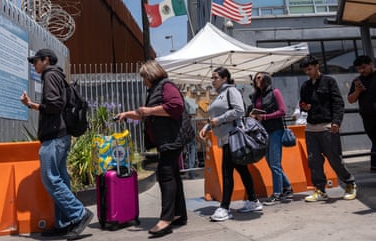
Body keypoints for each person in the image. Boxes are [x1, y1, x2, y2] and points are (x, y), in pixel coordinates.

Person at [20, 49, 93, 240]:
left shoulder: (50, 74)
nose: (34, 65)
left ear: (46, 60)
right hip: (61, 136)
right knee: (61, 178)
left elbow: (54, 105)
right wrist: (33, 105)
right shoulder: (58, 76)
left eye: (36, 61)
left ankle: (79, 214)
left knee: (50, 178)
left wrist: (35, 105)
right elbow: (57, 104)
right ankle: (65, 222)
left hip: (53, 136)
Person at [115, 60, 187, 237]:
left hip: (172, 138)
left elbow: (176, 107)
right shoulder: (156, 89)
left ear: (150, 75)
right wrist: (127, 114)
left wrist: (150, 110)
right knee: (173, 175)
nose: (142, 81)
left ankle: (166, 219)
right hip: (168, 139)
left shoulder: (166, 86)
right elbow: (146, 112)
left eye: (143, 77)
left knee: (166, 175)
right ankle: (179, 214)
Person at [199, 67, 262, 222]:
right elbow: (216, 116)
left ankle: (225, 208)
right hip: (225, 137)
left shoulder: (231, 91)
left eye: (215, 77)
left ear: (225, 78)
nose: (213, 80)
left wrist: (218, 121)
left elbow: (239, 110)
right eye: (212, 78)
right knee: (242, 169)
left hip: (233, 137)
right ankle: (253, 200)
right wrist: (208, 127)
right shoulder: (219, 94)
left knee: (227, 172)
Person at [299, 55, 357, 202]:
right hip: (311, 127)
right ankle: (320, 189)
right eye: (305, 70)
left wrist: (336, 122)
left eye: (310, 69)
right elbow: (303, 104)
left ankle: (350, 183)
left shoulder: (329, 81)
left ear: (317, 66)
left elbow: (338, 103)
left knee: (334, 158)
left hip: (327, 126)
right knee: (314, 161)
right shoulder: (305, 86)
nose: (308, 72)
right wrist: (304, 107)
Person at [249, 72, 293, 205]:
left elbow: (282, 111)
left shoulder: (275, 92)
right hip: (264, 132)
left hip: (275, 130)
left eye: (259, 78)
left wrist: (266, 117)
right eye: (255, 78)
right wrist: (253, 115)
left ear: (266, 79)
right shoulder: (257, 95)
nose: (256, 80)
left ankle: (277, 193)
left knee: (274, 163)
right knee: (270, 162)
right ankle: (287, 187)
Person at [347, 55, 376, 171]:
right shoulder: (357, 81)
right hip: (368, 119)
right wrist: (357, 91)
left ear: (371, 64)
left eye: (364, 67)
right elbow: (350, 99)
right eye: (359, 69)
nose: (362, 71)